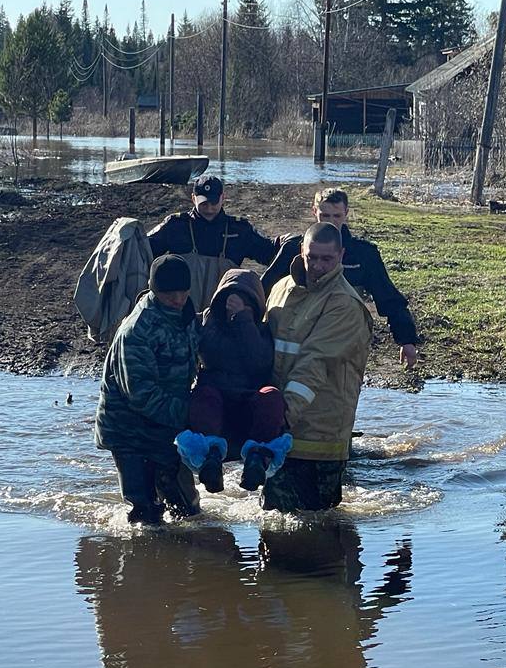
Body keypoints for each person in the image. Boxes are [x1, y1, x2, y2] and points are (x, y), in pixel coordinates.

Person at [261, 222, 373, 512]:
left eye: (327, 259)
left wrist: (280, 417)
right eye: (312, 257)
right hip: (280, 432)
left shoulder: (345, 304)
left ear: (341, 256)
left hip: (320, 438)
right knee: (272, 521)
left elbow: (315, 362)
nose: (318, 266)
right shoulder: (281, 289)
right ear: (301, 251)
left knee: (319, 529)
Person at [94, 254, 201, 524]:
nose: (177, 299)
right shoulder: (137, 331)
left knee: (188, 510)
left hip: (166, 425)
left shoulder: (186, 316)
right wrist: (193, 416)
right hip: (128, 430)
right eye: (169, 295)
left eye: (182, 292)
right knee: (145, 516)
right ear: (154, 291)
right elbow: (141, 395)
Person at [260, 188, 419, 369]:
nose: (331, 222)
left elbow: (389, 298)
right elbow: (262, 290)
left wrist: (406, 340)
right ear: (314, 212)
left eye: (336, 216)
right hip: (294, 335)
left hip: (341, 337)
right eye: (325, 215)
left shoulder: (363, 254)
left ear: (346, 214)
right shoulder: (292, 249)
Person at [175, 269, 290, 493]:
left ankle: (257, 460)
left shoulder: (262, 331)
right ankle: (211, 461)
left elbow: (258, 361)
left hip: (249, 404)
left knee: (272, 397)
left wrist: (243, 320)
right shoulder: (208, 323)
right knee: (203, 395)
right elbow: (209, 354)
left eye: (245, 301)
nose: (233, 306)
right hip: (215, 404)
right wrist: (220, 319)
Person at [147, 175, 280, 312]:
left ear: (223, 198)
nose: (209, 208)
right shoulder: (175, 226)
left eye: (213, 202)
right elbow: (144, 250)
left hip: (222, 312)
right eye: (203, 203)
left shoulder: (240, 229)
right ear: (193, 198)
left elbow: (269, 252)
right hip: (181, 311)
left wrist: (285, 243)